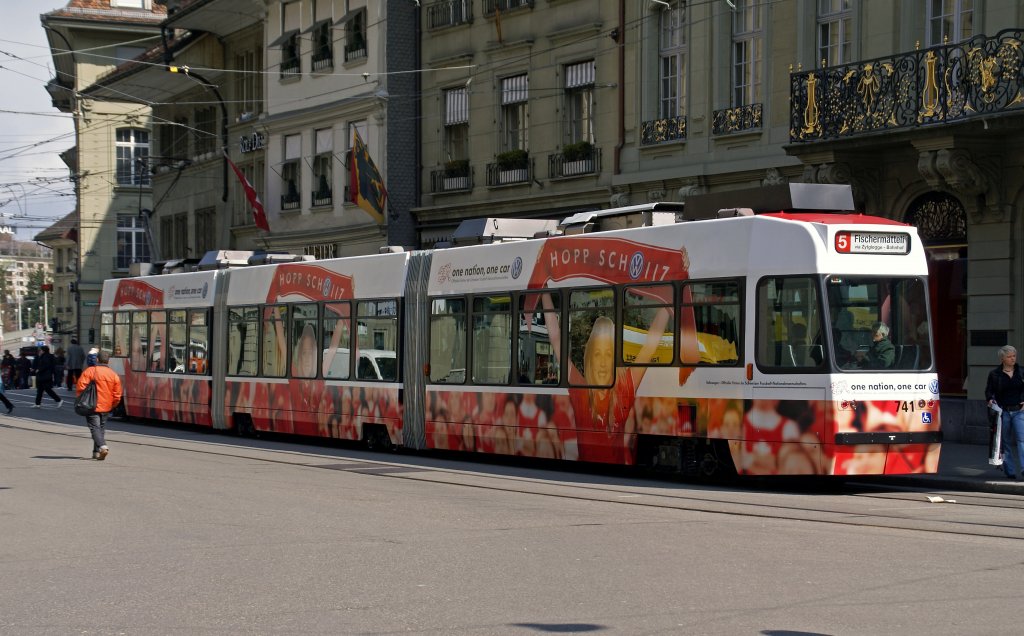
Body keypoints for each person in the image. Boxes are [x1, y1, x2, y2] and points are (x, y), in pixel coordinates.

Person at [985, 344, 1024, 480]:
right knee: (1005, 442)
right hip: (1003, 412)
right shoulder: (995, 374)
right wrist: (990, 400)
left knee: (1022, 440)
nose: (1013, 359)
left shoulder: (1021, 372)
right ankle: (1010, 470)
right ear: (1002, 359)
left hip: (1019, 411)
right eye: (1009, 356)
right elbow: (989, 391)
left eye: (1014, 356)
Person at [76, 350, 123, 461]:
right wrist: (113, 405)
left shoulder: (90, 371)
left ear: (97, 360)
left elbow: (80, 387)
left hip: (92, 405)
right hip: (106, 406)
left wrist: (81, 400)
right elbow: (117, 395)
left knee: (94, 428)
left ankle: (103, 446)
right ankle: (96, 452)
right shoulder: (113, 375)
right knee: (100, 428)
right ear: (108, 361)